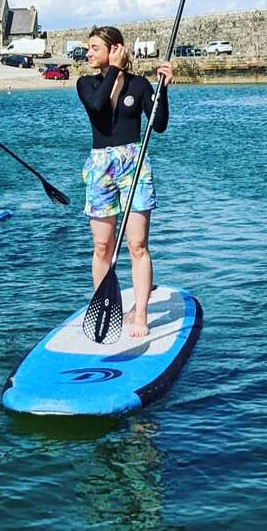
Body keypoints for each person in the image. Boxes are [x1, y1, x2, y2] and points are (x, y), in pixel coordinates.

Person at [77, 25, 172, 338]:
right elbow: (97, 108)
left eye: (94, 47)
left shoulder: (139, 84)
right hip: (101, 165)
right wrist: (113, 70)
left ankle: (141, 312)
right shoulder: (86, 83)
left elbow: (158, 125)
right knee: (102, 246)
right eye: (88, 48)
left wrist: (163, 90)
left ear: (114, 48)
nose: (88, 53)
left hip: (134, 163)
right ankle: (104, 307)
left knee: (137, 245)